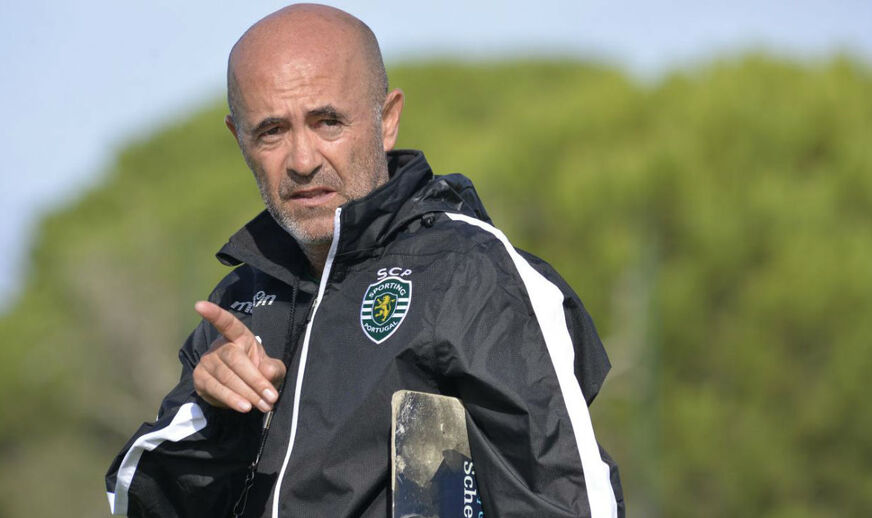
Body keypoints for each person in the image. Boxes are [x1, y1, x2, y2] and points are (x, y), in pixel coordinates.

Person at [105, 4, 625, 517]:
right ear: (239, 139)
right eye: (272, 131)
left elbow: (569, 501)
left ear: (387, 119)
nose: (303, 160)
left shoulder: (471, 273)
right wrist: (217, 416)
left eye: (328, 122)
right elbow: (140, 507)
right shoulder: (239, 304)